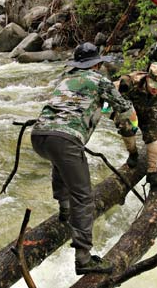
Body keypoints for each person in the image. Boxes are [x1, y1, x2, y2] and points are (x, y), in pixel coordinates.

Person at [30, 42, 138, 275]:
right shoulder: (99, 80)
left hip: (39, 135)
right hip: (66, 139)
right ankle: (83, 258)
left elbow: (87, 106)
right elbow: (124, 108)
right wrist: (132, 143)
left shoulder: (65, 78)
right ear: (97, 64)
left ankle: (64, 209)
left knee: (60, 164)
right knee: (85, 197)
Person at [116, 62, 157, 188]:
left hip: (146, 109)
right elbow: (110, 92)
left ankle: (152, 172)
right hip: (127, 109)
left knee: (153, 132)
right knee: (127, 127)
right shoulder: (129, 82)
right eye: (152, 85)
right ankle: (133, 153)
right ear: (147, 78)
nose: (155, 89)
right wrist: (108, 110)